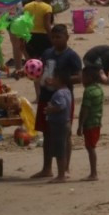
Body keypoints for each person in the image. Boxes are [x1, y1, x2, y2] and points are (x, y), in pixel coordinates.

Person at [34, 25, 81, 179]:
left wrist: (60, 81)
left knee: (64, 134)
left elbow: (79, 77)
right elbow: (39, 69)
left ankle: (65, 168)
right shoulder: (47, 53)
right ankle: (46, 168)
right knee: (46, 133)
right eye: (53, 37)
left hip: (63, 99)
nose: (55, 40)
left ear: (67, 37)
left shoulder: (72, 56)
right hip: (46, 97)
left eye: (58, 37)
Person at [77, 62, 104, 181]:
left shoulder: (88, 91)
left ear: (89, 78)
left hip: (90, 123)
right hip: (97, 121)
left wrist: (80, 125)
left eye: (83, 77)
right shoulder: (99, 89)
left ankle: (94, 173)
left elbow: (85, 109)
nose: (82, 80)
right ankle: (93, 173)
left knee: (90, 147)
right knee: (91, 146)